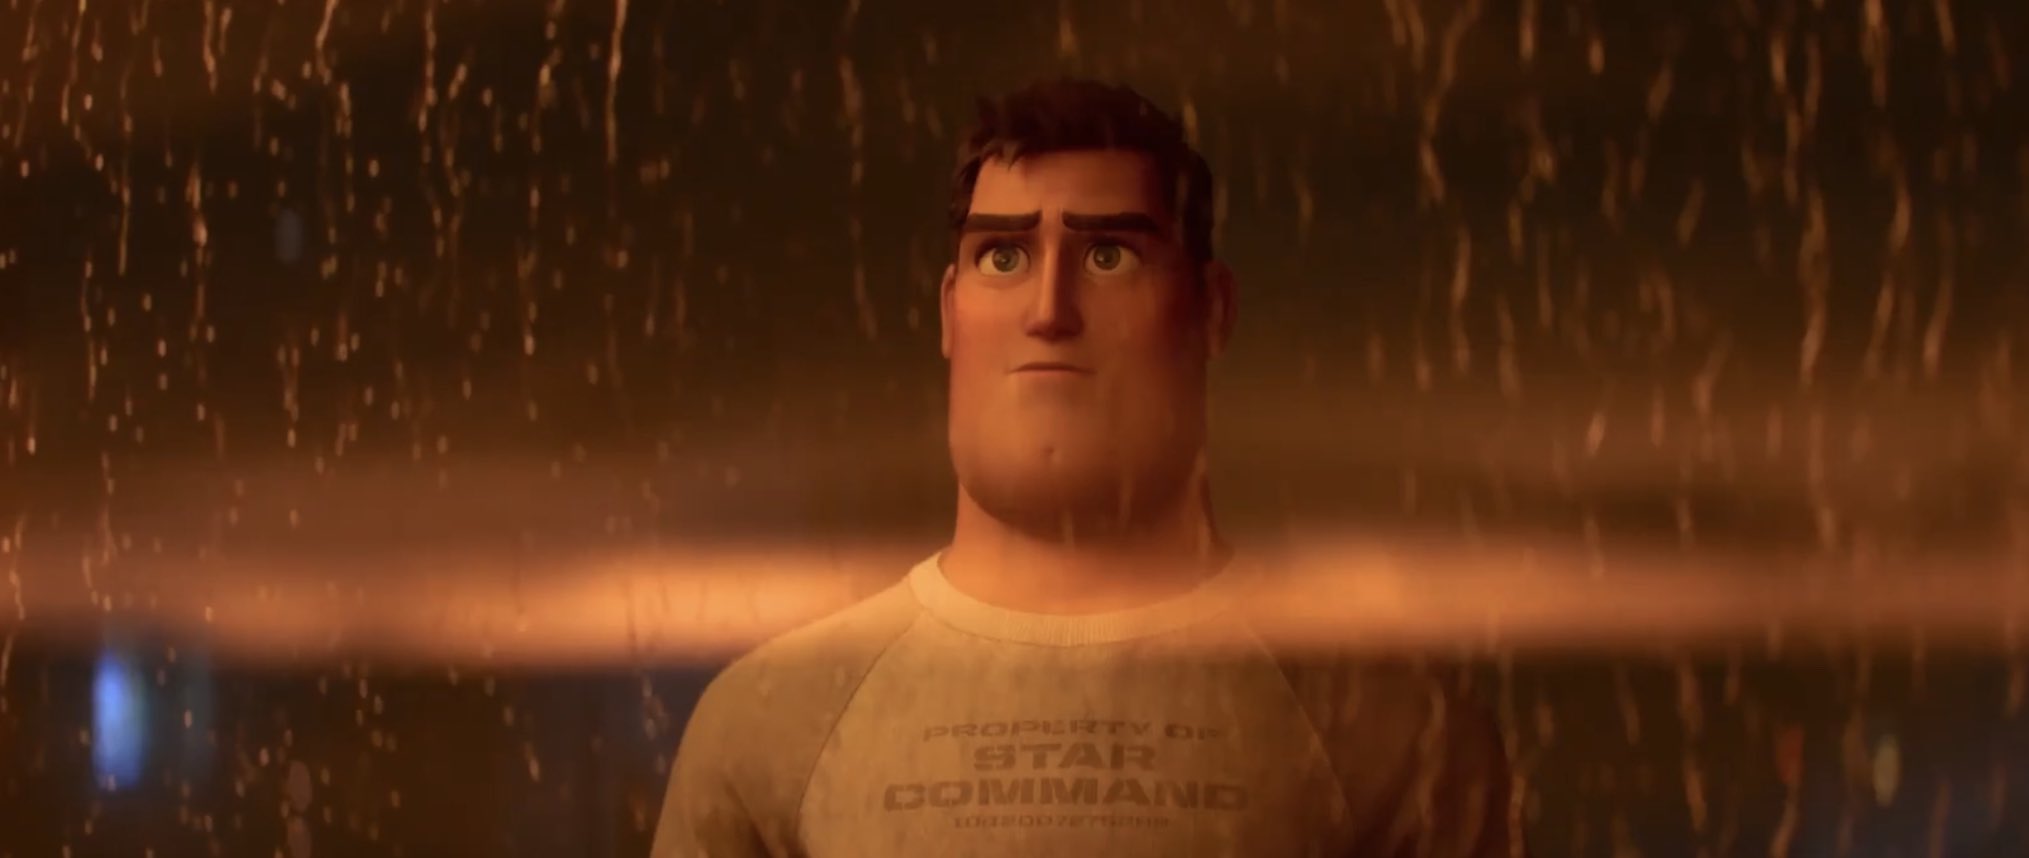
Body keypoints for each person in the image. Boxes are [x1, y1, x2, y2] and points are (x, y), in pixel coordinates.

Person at [652, 77, 1521, 857]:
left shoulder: (1391, 734)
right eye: (1003, 256)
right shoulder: (770, 721)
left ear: (1210, 309)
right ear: (950, 311)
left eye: (1108, 255)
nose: (1048, 308)